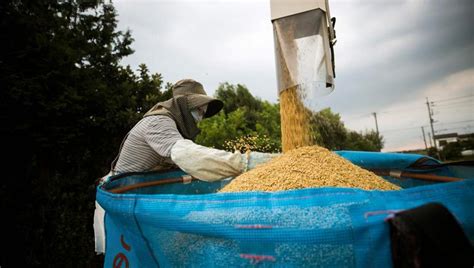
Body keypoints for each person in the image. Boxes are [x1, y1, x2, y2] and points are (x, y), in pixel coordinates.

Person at [110, 79, 276, 182]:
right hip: (121, 196)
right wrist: (244, 162)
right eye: (198, 110)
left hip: (141, 193)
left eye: (203, 113)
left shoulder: (175, 128)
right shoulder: (158, 122)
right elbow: (187, 154)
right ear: (182, 104)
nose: (200, 117)